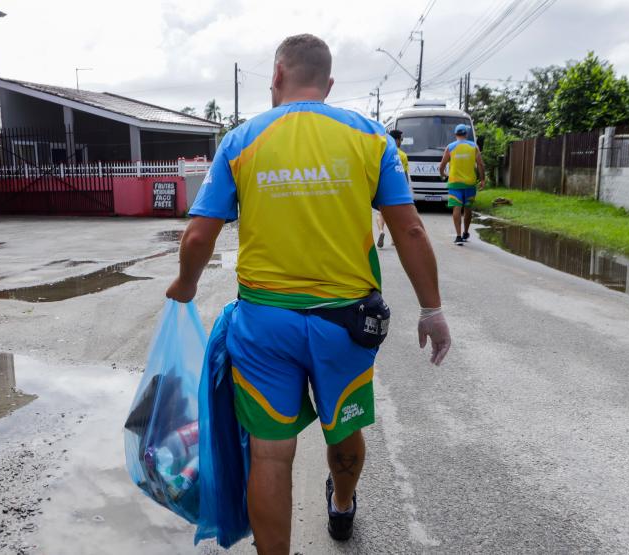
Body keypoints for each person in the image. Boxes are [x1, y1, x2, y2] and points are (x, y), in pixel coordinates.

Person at [166, 34, 451, 554]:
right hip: (345, 326)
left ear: (276, 76)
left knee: (272, 455)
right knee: (343, 430)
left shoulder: (241, 140)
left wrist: (184, 287)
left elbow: (199, 236)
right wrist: (432, 311)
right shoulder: (372, 139)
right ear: (329, 84)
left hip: (263, 328)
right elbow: (410, 230)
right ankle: (341, 504)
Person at [438, 124, 485, 245]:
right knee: (468, 208)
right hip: (470, 183)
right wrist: (483, 179)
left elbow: (442, 164)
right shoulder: (474, 147)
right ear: (466, 134)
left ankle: (458, 236)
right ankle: (466, 233)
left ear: (455, 134)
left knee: (457, 207)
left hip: (454, 183)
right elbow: (480, 164)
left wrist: (443, 174)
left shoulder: (450, 147)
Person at [375, 129, 411, 248]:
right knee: (395, 215)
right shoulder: (403, 155)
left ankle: (381, 231)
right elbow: (404, 175)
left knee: (381, 213)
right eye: (400, 139)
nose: (401, 142)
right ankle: (394, 239)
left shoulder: (382, 152)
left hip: (382, 185)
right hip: (397, 189)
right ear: (396, 140)